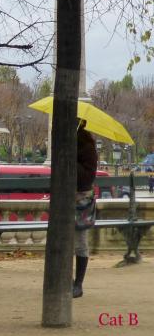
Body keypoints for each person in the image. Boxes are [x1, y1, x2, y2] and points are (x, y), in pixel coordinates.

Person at [74, 120, 98, 298]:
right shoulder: (79, 145)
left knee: (80, 241)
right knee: (70, 241)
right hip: (72, 197)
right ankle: (71, 282)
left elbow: (85, 177)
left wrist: (69, 159)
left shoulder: (86, 149)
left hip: (80, 197)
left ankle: (78, 283)